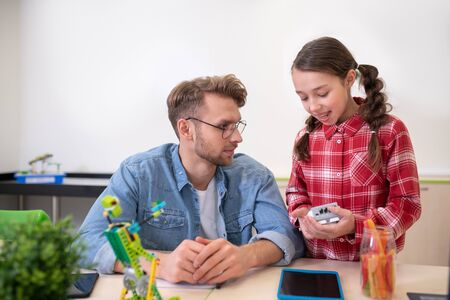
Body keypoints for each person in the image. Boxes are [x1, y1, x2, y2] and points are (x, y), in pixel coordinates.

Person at [79, 74, 304, 284]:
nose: (237, 137)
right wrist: (159, 264)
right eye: (223, 126)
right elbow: (86, 242)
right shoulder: (138, 173)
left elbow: (288, 236)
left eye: (236, 125)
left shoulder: (254, 176)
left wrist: (246, 256)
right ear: (186, 129)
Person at [286, 37, 421, 261]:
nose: (313, 106)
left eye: (322, 94)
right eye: (303, 97)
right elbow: (295, 193)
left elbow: (408, 204)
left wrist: (356, 226)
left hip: (374, 268)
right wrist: (301, 215)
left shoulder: (390, 131)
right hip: (317, 265)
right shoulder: (305, 138)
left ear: (349, 79)